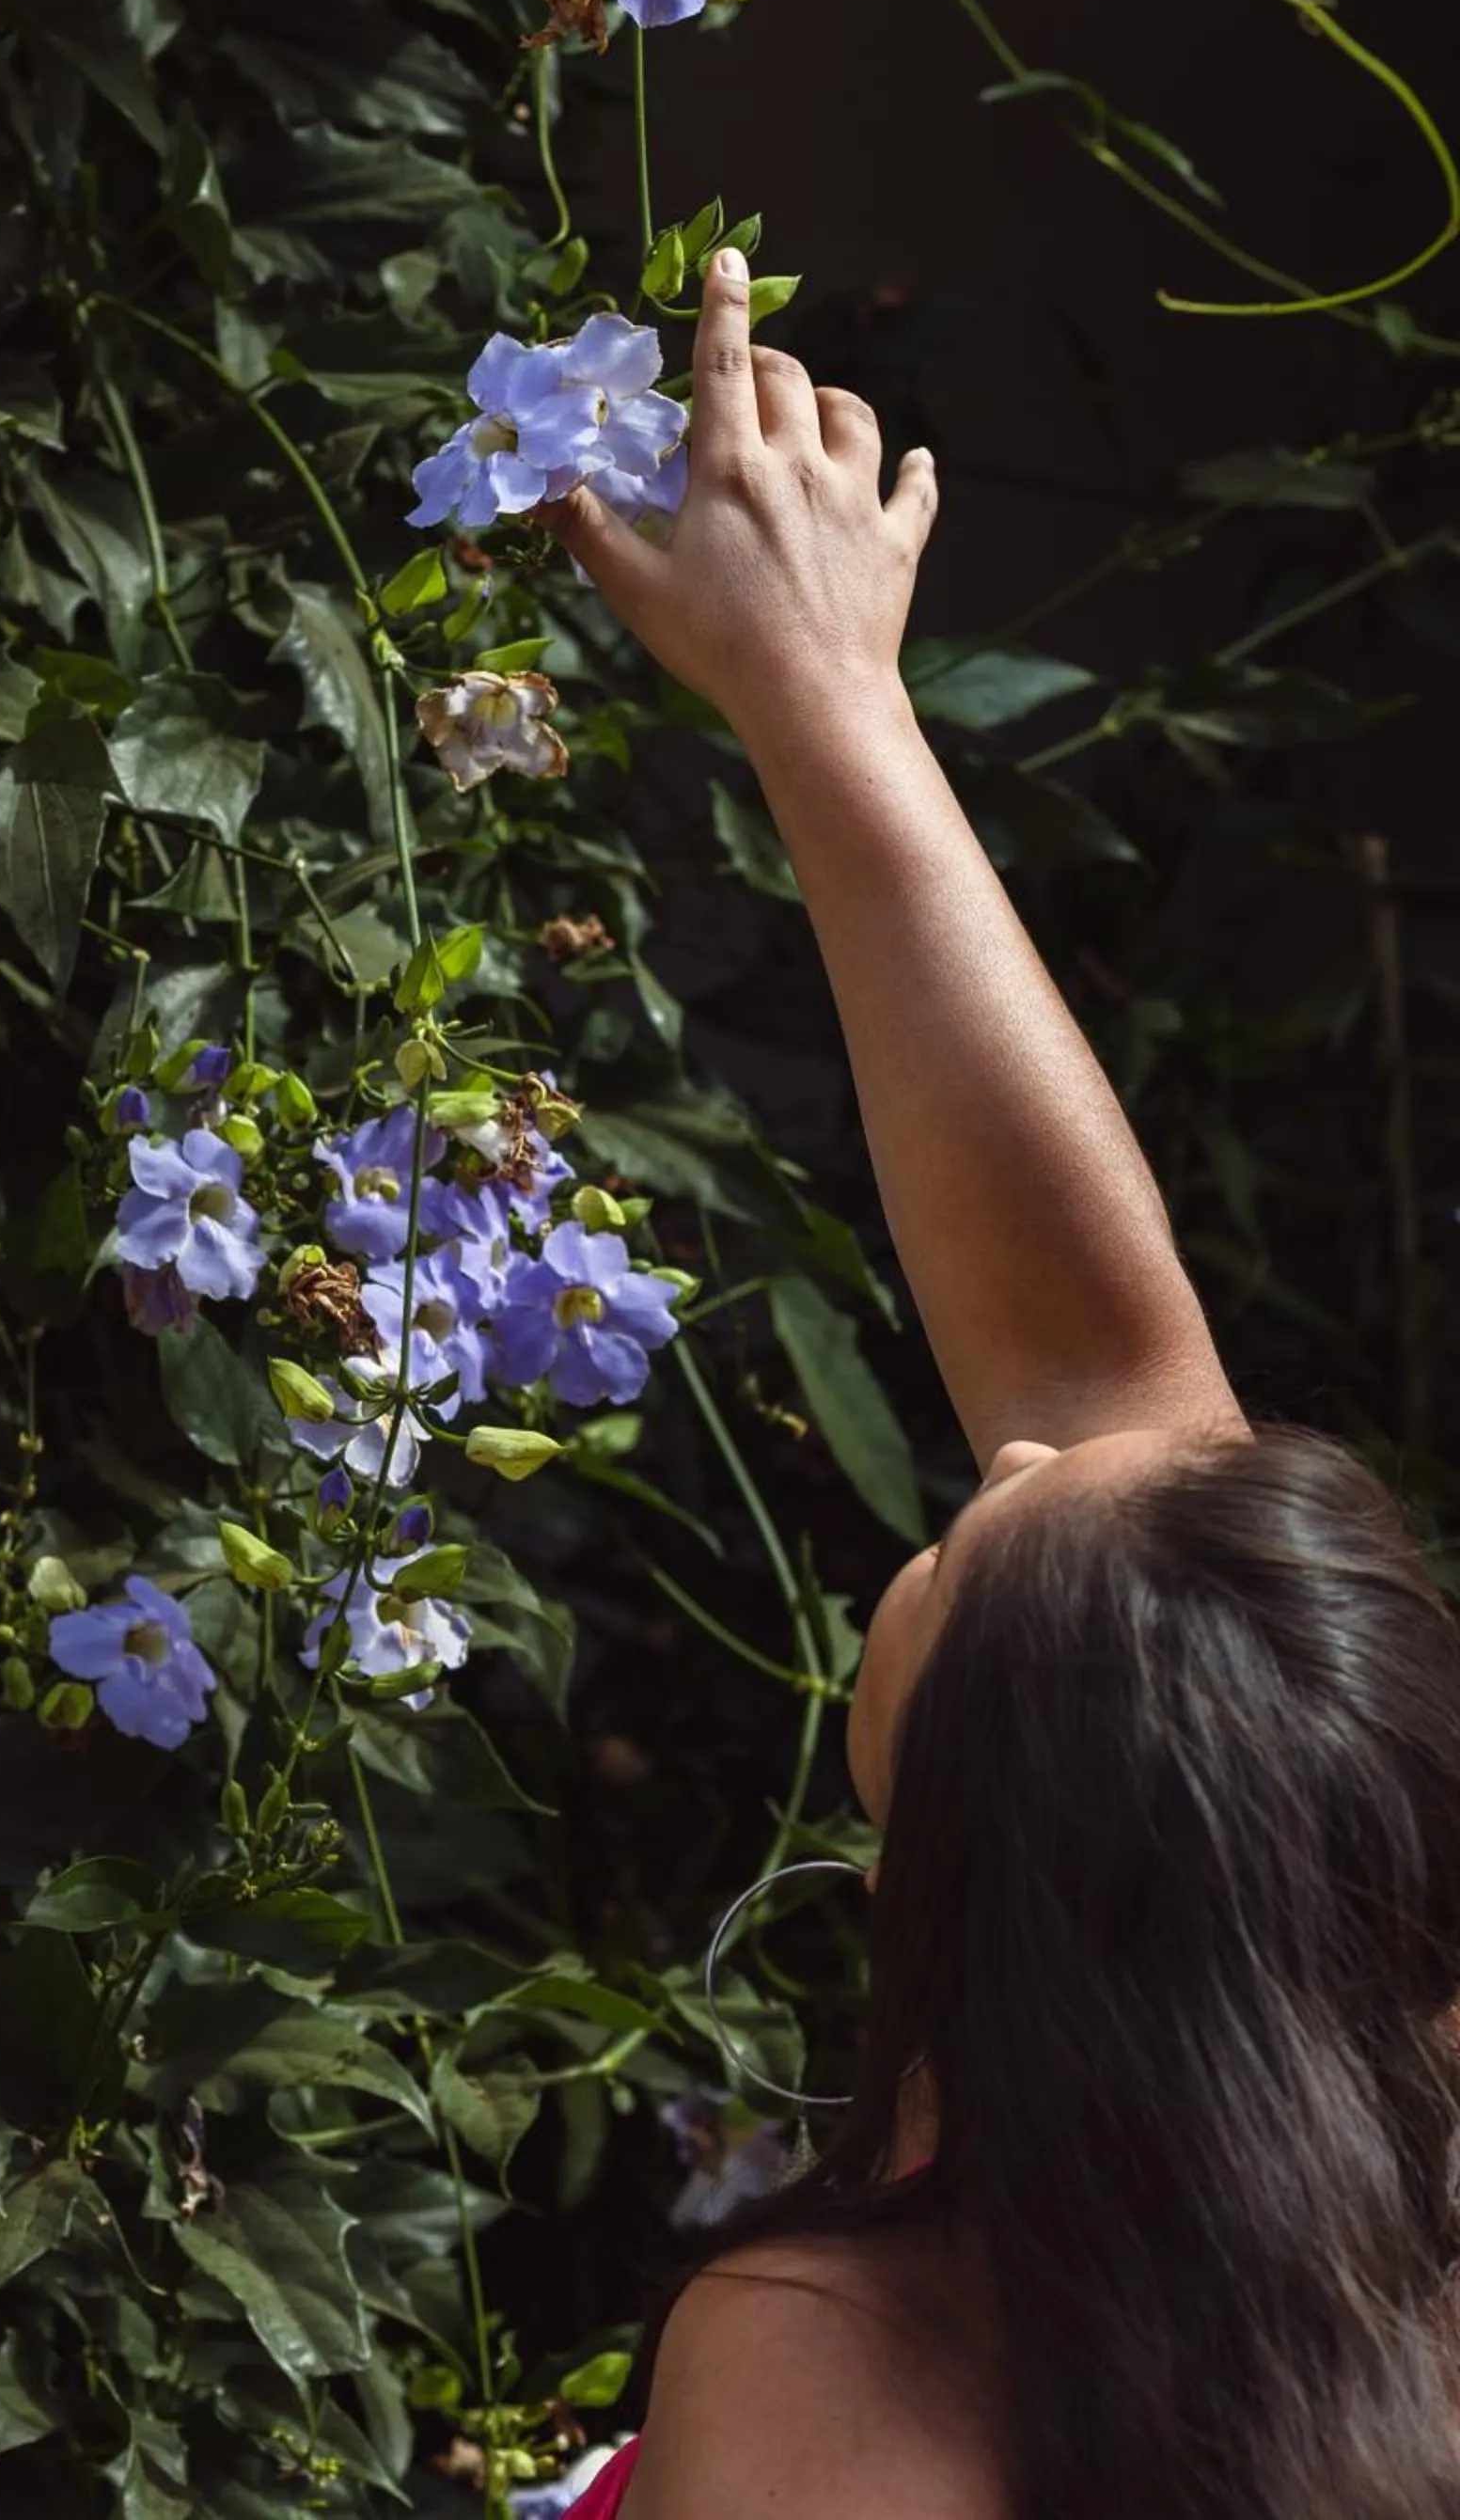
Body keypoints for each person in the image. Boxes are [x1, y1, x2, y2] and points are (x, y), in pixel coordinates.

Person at [542, 250, 1460, 2520]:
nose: (1025, 1447)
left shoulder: (828, 2387)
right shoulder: (1369, 2131)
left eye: (976, 1525)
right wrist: (821, 693)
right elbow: (1085, 1350)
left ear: (996, 1875)